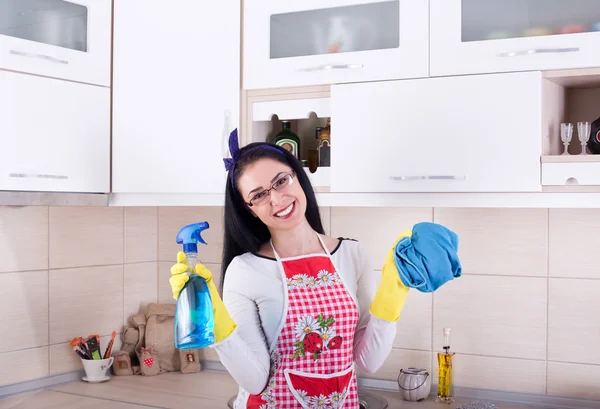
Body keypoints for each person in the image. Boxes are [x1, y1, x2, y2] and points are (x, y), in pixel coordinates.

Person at [170, 129, 410, 409]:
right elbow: (255, 380)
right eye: (259, 195)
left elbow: (369, 360)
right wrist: (216, 322)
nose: (276, 199)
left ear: (297, 177)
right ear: (250, 209)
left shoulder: (352, 254)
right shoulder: (246, 269)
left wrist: (394, 290)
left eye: (281, 181)